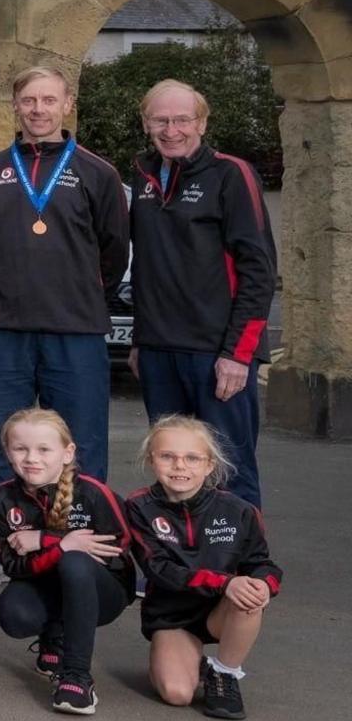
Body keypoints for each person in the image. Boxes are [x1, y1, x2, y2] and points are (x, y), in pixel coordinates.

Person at [0, 66, 129, 510]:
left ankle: (81, 537)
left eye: (49, 100)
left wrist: (80, 295)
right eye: (29, 101)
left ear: (67, 104)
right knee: (3, 441)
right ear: (16, 105)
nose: (39, 109)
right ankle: (6, 544)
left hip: (75, 331)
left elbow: (114, 250)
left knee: (81, 440)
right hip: (5, 331)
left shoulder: (98, 173)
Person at [128, 80, 276, 511]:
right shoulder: (141, 174)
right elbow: (150, 267)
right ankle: (180, 568)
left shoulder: (232, 174)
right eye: (160, 120)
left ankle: (243, 569)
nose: (171, 130)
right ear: (145, 123)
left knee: (228, 469)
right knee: (172, 468)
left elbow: (258, 269)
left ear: (202, 122)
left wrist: (239, 353)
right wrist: (141, 338)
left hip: (217, 354)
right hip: (158, 350)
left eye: (182, 119)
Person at [126, 415, 280, 720]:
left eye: (192, 458)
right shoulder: (137, 507)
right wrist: (225, 582)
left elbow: (262, 564)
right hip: (172, 616)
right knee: (178, 694)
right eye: (168, 456)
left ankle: (225, 673)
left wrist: (265, 585)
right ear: (150, 460)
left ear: (209, 465)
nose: (180, 466)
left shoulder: (238, 510)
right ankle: (190, 661)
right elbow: (158, 569)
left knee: (249, 592)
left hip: (220, 611)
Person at [0, 407, 135, 715]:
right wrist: (62, 545)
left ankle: (77, 675)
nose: (31, 458)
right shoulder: (1, 498)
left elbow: (119, 547)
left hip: (103, 591)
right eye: (21, 449)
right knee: (14, 614)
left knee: (75, 562)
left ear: (67, 453)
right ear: (7, 453)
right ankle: (53, 637)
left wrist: (44, 540)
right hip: (45, 583)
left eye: (44, 449)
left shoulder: (93, 493)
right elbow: (13, 566)